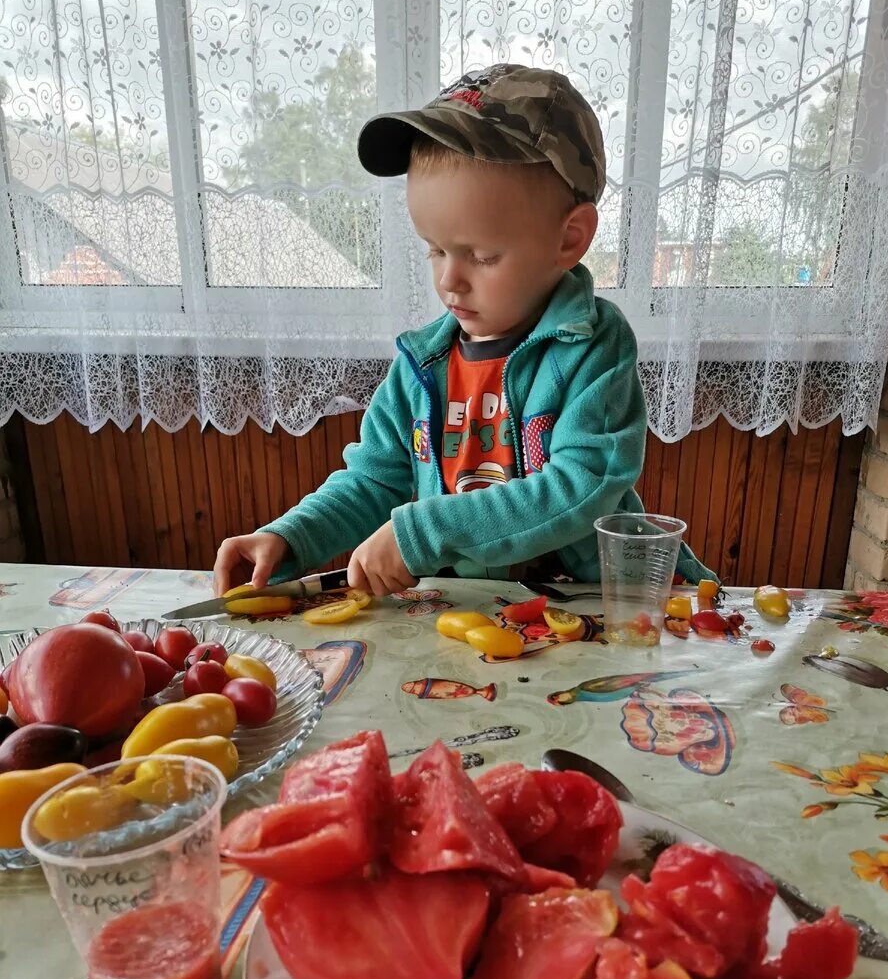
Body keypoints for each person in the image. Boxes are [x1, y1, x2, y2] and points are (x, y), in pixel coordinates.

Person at [213, 64, 711, 598]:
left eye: (482, 255)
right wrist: (289, 537)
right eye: (435, 249)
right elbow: (373, 480)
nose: (449, 280)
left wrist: (423, 531)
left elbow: (580, 487)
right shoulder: (421, 364)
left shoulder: (594, 346)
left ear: (569, 239)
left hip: (597, 608)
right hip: (463, 617)